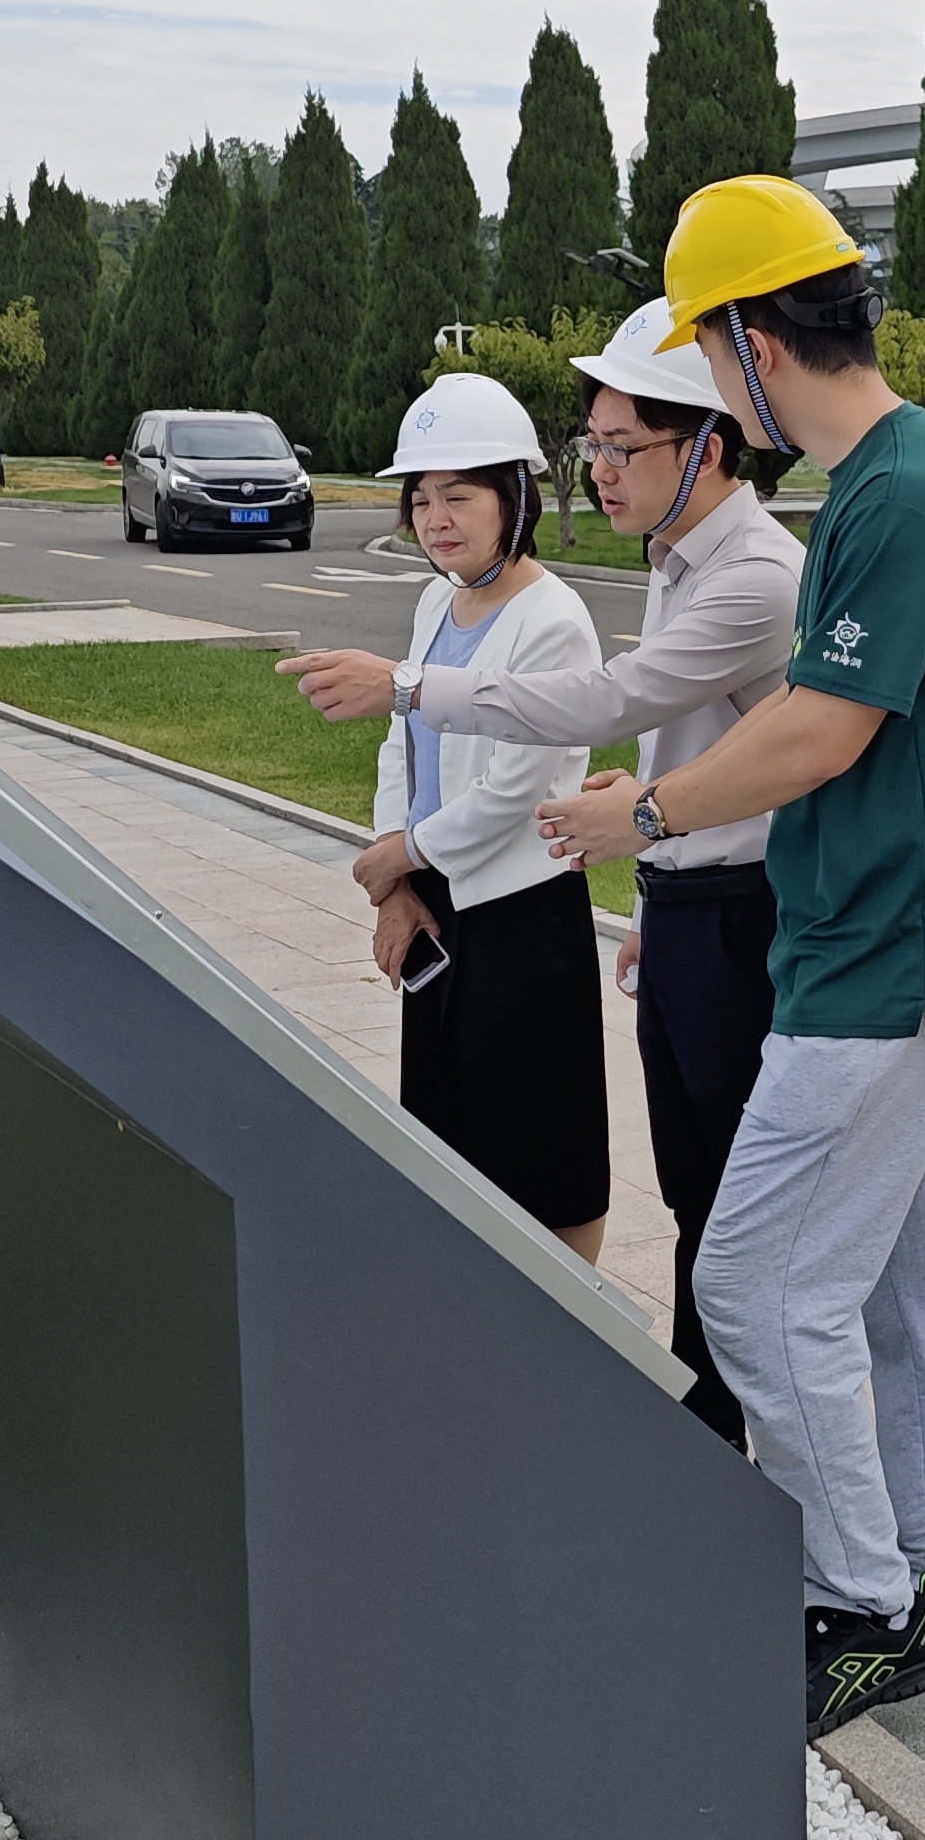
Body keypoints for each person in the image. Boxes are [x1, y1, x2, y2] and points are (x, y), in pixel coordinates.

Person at [537, 176, 925, 1741]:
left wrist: (645, 811)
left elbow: (822, 732)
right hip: (904, 946)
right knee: (904, 1289)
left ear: (758, 344)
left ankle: (864, 1602)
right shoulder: (900, 477)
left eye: (709, 352)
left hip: (885, 955)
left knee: (758, 1281)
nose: (712, 384)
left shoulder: (897, 496)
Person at [279, 299, 801, 1446]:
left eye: (620, 446)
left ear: (707, 445)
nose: (599, 468)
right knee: (655, 1181)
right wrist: (400, 877)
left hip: (641, 912)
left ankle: (703, 1436)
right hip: (653, 898)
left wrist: (406, 779)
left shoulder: (734, 579)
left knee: (637, 1179)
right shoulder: (670, 562)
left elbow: (586, 721)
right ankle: (682, 1422)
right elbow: (415, 755)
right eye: (593, 444)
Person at [339, 373, 611, 1257]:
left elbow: (512, 793)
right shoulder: (435, 601)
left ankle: (569, 1316)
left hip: (519, 917)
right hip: (435, 897)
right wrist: (397, 878)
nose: (436, 519)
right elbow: (402, 744)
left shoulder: (552, 620)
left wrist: (402, 856)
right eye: (421, 500)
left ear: (514, 498)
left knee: (542, 1148)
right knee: (448, 1134)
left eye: (459, 497)